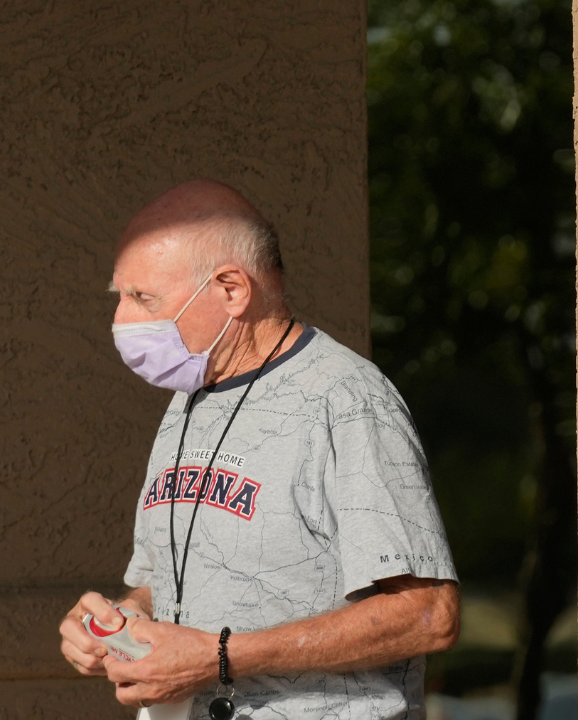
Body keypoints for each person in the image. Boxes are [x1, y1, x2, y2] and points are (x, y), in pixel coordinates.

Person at [57, 179, 460, 719]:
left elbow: (429, 614)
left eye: (143, 299)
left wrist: (220, 658)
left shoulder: (346, 400)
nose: (122, 321)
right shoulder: (190, 399)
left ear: (231, 290)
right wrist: (116, 621)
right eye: (121, 296)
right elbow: (169, 586)